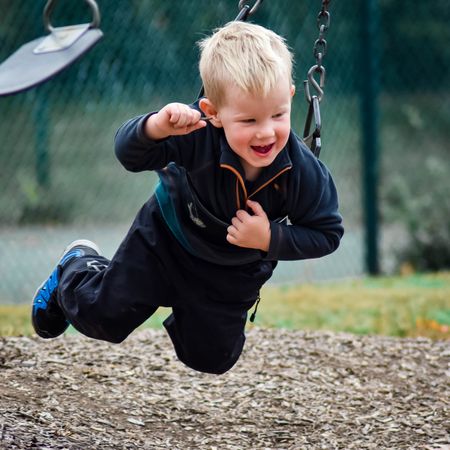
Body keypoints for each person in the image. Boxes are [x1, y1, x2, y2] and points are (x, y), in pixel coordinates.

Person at [32, 21, 343, 375]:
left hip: (231, 270)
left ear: (289, 97)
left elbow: (328, 233)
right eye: (248, 120)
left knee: (211, 358)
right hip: (165, 241)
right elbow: (129, 155)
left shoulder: (302, 172)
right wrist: (156, 128)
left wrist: (270, 238)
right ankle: (77, 265)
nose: (266, 131)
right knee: (104, 316)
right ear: (213, 112)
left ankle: (188, 304)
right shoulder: (197, 132)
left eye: (277, 115)